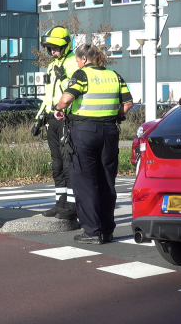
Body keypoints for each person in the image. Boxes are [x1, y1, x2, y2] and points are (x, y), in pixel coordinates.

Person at [54, 44, 133, 244]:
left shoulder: (82, 75)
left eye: (78, 60)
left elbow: (65, 100)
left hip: (85, 132)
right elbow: (128, 104)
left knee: (85, 182)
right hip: (110, 132)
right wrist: (113, 115)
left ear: (84, 59)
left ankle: (92, 231)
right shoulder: (114, 75)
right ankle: (107, 230)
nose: (77, 63)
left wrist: (58, 108)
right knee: (107, 181)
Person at [34, 26, 79, 220]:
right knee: (56, 163)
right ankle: (60, 202)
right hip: (52, 118)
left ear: (66, 45)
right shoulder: (52, 66)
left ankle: (71, 205)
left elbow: (75, 92)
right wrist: (39, 117)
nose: (53, 51)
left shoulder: (74, 63)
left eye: (56, 47)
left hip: (67, 117)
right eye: (50, 48)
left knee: (68, 162)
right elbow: (48, 95)